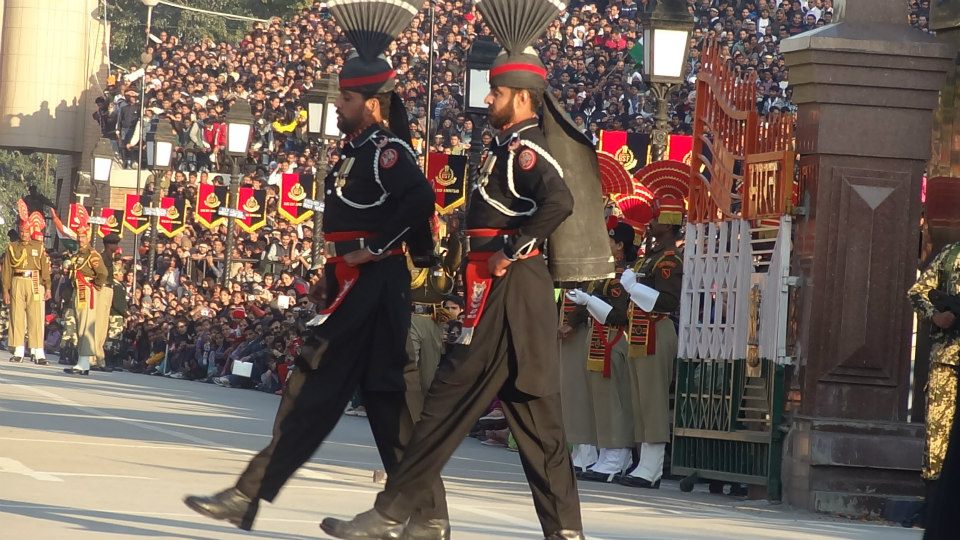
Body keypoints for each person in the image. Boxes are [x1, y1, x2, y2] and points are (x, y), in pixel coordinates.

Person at [322, 1, 588, 538]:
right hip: (510, 298)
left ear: (522, 97)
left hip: (504, 291)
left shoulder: (527, 153)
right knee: (540, 430)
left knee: (442, 407)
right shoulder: (506, 148)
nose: (487, 98)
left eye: (496, 91)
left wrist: (513, 250)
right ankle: (563, 532)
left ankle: (394, 512)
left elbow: (559, 202)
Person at [183, 2, 449, 537]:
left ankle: (246, 495)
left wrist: (374, 248)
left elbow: (420, 199)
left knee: (311, 388)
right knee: (385, 401)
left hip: (373, 287)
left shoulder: (387, 149)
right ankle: (427, 518)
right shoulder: (358, 150)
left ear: (372, 104)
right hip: (359, 284)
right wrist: (342, 264)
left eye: (347, 98)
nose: (339, 106)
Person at [616, 196, 684, 489]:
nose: (650, 223)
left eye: (655, 219)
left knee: (653, 400)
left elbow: (668, 301)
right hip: (640, 333)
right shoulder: (651, 257)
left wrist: (632, 286)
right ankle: (643, 461)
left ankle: (652, 465)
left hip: (657, 329)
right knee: (640, 400)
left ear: (668, 225)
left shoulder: (669, 260)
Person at [565, 219, 638, 483]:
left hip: (615, 337)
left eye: (609, 240)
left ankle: (617, 454)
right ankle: (606, 453)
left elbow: (619, 315)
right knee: (600, 399)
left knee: (614, 398)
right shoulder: (603, 273)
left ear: (620, 246)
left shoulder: (622, 276)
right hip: (597, 335)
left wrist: (590, 301)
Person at [907, 240, 960, 519]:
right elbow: (918, 292)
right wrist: (936, 316)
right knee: (939, 432)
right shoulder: (951, 255)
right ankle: (934, 504)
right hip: (947, 360)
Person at [2, 200, 51, 364]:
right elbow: (7, 269)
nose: (23, 234)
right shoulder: (12, 247)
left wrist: (48, 287)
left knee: (36, 316)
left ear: (31, 231)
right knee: (16, 315)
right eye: (21, 231)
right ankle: (18, 350)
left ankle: (38, 352)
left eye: (26, 231)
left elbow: (45, 269)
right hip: (17, 280)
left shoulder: (39, 246)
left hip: (35, 281)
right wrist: (5, 290)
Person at [63, 205, 108, 376]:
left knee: (86, 326)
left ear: (88, 237)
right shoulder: (77, 253)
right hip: (77, 290)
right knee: (79, 326)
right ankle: (81, 361)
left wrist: (95, 286)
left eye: (83, 236)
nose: (81, 239)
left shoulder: (92, 254)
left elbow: (102, 273)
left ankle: (84, 363)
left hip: (87, 291)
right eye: (79, 236)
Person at [91, 233, 120, 371]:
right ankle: (94, 358)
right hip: (102, 290)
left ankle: (98, 358)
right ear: (109, 245)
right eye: (115, 244)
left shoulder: (110, 258)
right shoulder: (102, 258)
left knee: (103, 326)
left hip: (108, 290)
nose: (117, 246)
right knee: (98, 325)